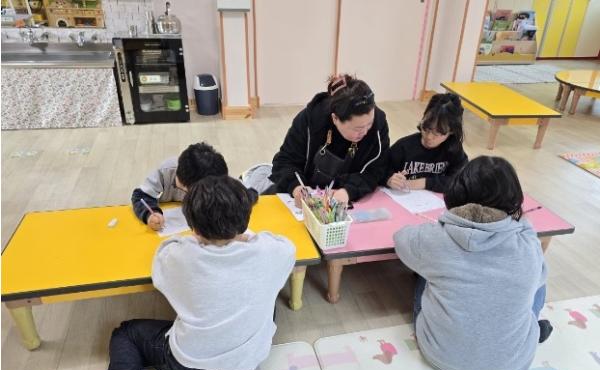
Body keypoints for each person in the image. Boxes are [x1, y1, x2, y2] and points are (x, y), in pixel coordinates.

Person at [107, 176, 296, 370]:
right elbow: (285, 245)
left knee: (126, 333)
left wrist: (195, 239)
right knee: (268, 300)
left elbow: (163, 253)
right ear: (245, 219)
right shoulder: (272, 252)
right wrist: (243, 237)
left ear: (193, 227)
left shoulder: (180, 257)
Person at [393, 156, 552, 370]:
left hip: (440, 355)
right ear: (515, 201)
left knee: (424, 274)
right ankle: (531, 330)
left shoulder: (435, 238)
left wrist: (441, 223)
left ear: (455, 193)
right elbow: (540, 274)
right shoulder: (527, 245)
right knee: (538, 281)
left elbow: (400, 239)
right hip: (511, 364)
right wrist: (522, 221)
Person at [250, 74, 389, 206]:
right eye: (358, 128)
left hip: (343, 198)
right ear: (335, 118)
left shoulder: (378, 124)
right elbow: (285, 161)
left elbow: (376, 169)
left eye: (369, 124)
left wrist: (348, 191)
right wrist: (297, 188)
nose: (365, 132)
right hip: (305, 193)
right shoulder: (311, 120)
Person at [131, 142, 228, 231]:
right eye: (184, 189)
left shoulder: (218, 180)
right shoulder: (167, 170)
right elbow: (140, 196)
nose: (188, 194)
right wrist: (150, 214)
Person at [384, 93, 468, 194]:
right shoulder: (403, 147)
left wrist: (424, 183)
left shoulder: (453, 149)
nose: (429, 137)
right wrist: (389, 179)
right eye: (426, 128)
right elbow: (380, 170)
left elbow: (462, 179)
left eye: (437, 133)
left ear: (452, 131)